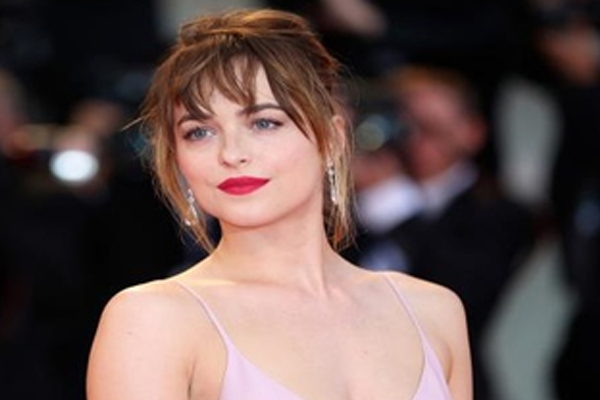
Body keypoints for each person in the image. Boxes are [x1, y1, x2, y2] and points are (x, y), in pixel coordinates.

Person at [86, 9, 472, 400]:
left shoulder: (433, 311)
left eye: (264, 123)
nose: (231, 153)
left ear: (332, 138)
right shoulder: (153, 321)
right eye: (199, 132)